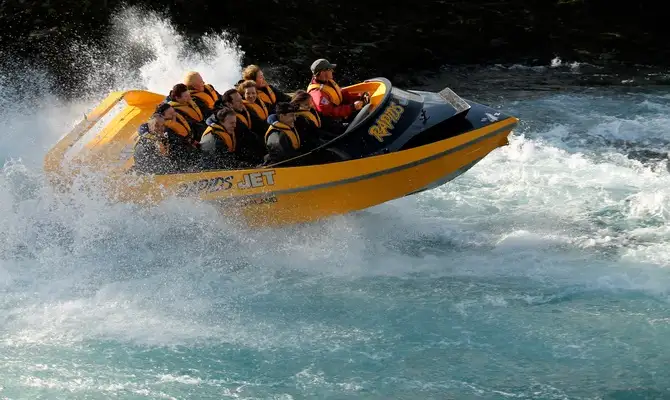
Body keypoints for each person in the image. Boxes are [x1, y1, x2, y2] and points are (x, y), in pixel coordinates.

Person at [307, 58, 365, 132]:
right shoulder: (318, 94)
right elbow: (330, 113)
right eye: (330, 69)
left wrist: (359, 96)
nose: (332, 71)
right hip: (335, 124)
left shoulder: (327, 81)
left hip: (342, 112)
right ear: (322, 72)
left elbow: (341, 94)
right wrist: (352, 107)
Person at [220, 88, 266, 165]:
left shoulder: (244, 110)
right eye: (238, 101)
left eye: (241, 99)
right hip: (238, 157)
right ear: (229, 104)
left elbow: (261, 126)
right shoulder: (227, 119)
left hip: (248, 148)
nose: (242, 102)